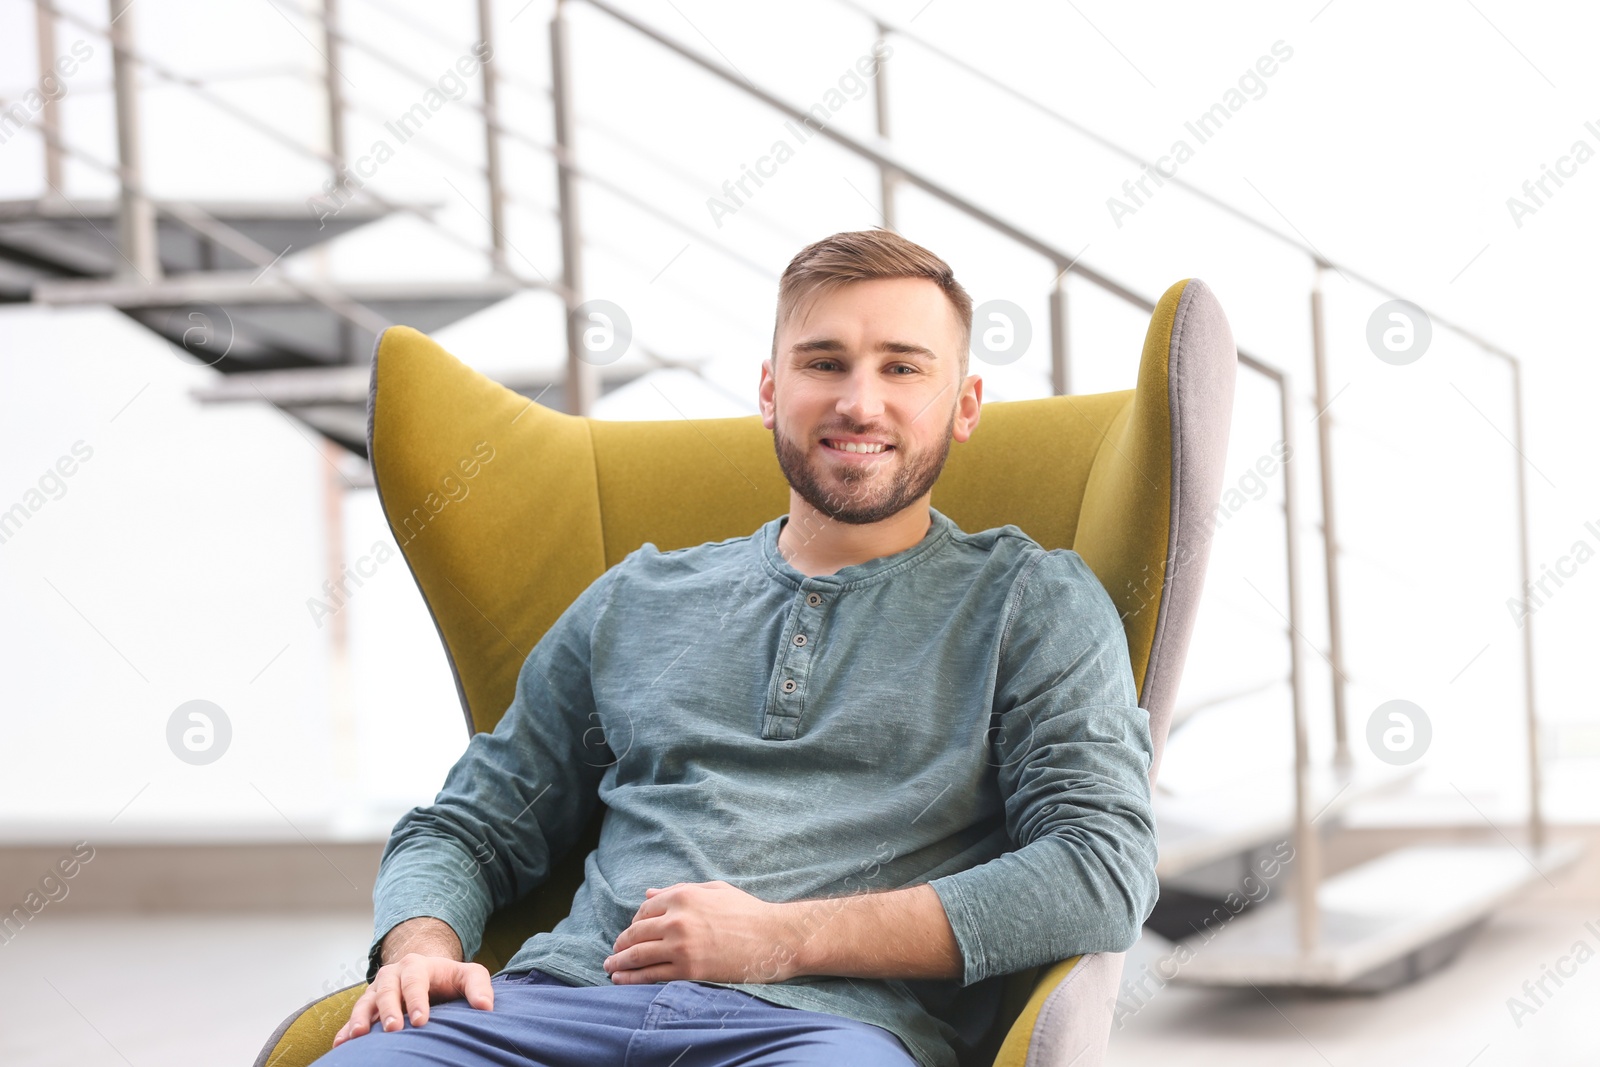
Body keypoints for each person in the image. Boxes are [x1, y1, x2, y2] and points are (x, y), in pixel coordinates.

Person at [316, 229, 1159, 1067]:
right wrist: (418, 947)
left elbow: (1100, 869)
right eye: (823, 362)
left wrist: (778, 939)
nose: (860, 403)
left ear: (965, 404)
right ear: (769, 388)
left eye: (903, 367)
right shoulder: (634, 599)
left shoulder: (1031, 601)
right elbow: (469, 826)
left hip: (822, 1031)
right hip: (555, 1008)